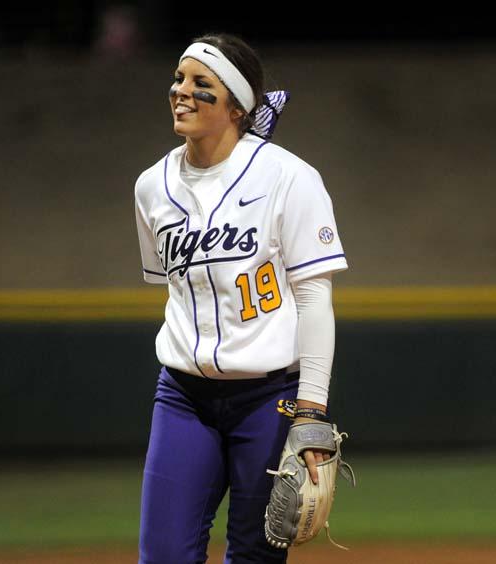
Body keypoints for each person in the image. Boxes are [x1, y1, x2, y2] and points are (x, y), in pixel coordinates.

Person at [134, 32, 348, 564]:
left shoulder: (289, 178)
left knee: (254, 555)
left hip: (269, 399)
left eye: (200, 84)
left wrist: (312, 412)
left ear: (235, 106)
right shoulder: (151, 187)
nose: (181, 91)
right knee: (162, 555)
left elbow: (314, 298)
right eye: (179, 79)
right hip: (182, 396)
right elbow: (173, 289)